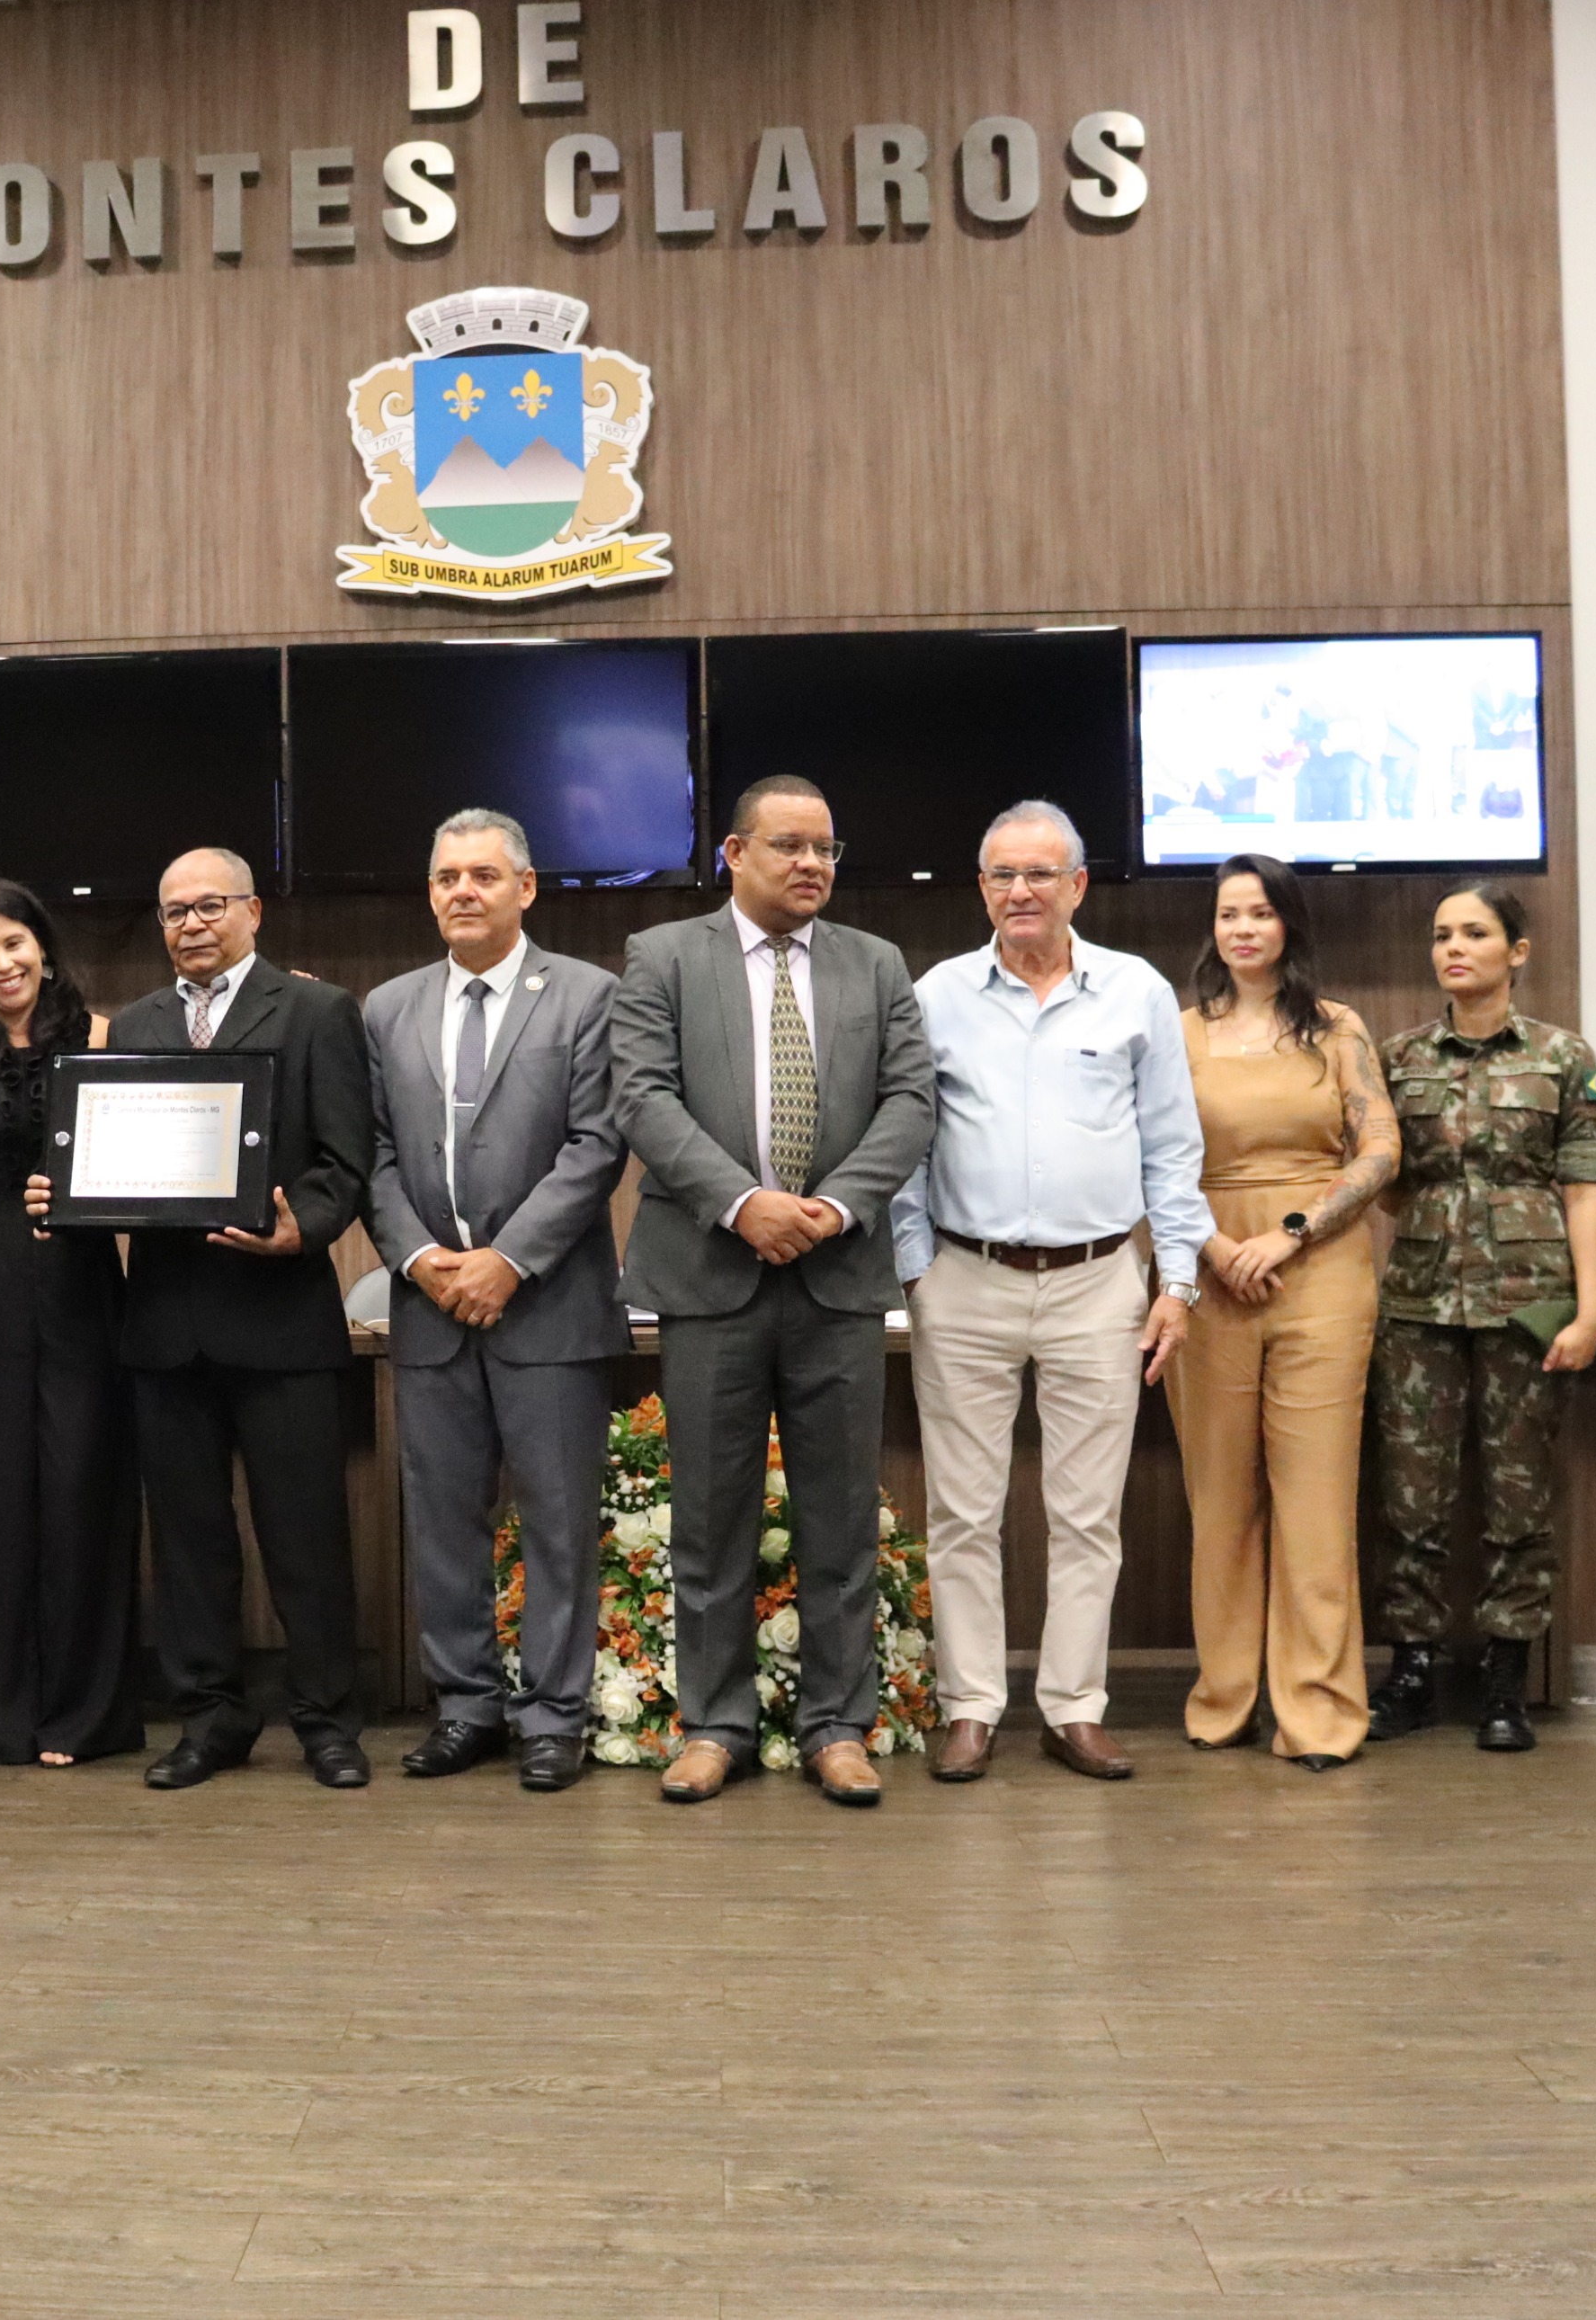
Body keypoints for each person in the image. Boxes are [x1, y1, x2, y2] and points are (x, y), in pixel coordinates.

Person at [28, 845, 377, 1792]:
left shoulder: (317, 1011)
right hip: (166, 1329)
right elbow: (112, 1161)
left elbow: (346, 1160)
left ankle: (326, 1722)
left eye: (210, 905)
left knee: (305, 1538)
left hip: (282, 1321)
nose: (191, 924)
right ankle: (210, 1718)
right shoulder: (133, 1024)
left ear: (253, 911)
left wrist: (300, 1226)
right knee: (187, 1545)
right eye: (175, 911)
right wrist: (64, 1194)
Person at [617, 775, 933, 1808]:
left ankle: (836, 1725)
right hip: (709, 1272)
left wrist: (832, 1208)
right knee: (710, 1518)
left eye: (825, 849)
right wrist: (741, 1202)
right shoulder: (663, 956)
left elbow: (910, 1101)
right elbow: (642, 1097)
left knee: (838, 1516)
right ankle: (713, 1726)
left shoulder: (875, 963)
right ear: (733, 853)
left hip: (837, 1276)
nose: (810, 864)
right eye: (789, 845)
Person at [888, 800, 1211, 1787]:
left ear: (1077, 885)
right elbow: (905, 1139)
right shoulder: (936, 995)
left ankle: (1075, 1708)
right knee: (960, 1512)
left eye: (1039, 874)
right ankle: (970, 1707)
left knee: (1086, 1514)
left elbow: (1172, 1146)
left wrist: (1177, 1280)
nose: (1019, 891)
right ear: (981, 887)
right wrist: (915, 1265)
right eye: (1001, 874)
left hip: (1100, 1283)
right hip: (964, 1279)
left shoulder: (1136, 991)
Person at [363, 809, 630, 1795]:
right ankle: (466, 1706)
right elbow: (374, 1155)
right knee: (443, 1522)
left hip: (548, 1306)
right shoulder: (386, 1007)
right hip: (431, 1305)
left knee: (558, 1522)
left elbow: (597, 1145)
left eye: (482, 875)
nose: (462, 891)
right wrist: (422, 1258)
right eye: (446, 878)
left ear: (526, 887)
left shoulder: (589, 996)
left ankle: (553, 1717)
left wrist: (508, 1260)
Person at [1161, 854, 1397, 1771]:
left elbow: (1379, 1151)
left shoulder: (1337, 1028)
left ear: (1288, 923)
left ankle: (1319, 1711)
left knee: (1315, 1499)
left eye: (1260, 912)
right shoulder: (1176, 1031)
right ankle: (1224, 1697)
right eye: (1229, 914)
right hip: (1207, 1271)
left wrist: (1292, 1232)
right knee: (1219, 1498)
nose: (1243, 928)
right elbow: (1149, 1156)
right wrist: (1217, 1248)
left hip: (1320, 1271)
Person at [1366, 879, 1596, 1753]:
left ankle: (1506, 1678)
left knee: (1518, 1500)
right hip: (1419, 1305)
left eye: (1473, 933)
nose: (1453, 949)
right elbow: (1382, 1180)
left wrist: (1588, 1312)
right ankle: (1412, 1670)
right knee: (1410, 1500)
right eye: (1442, 935)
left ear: (1517, 950)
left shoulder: (1561, 1057)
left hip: (1527, 1307)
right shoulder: (1397, 1057)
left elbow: (1583, 1191)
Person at [0, 880, 140, 1770]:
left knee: (85, 1484)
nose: (2, 962)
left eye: (14, 943)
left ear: (42, 945)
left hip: (83, 1279)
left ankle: (84, 1714)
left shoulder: (105, 1035)